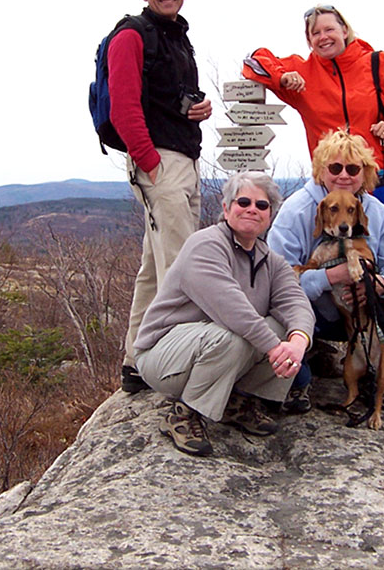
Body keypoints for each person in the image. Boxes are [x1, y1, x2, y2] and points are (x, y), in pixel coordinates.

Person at [133, 172, 315, 457]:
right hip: (163, 355)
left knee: (282, 326)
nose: (252, 208)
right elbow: (230, 307)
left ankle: (236, 402)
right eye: (243, 201)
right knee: (234, 334)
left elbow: (297, 303)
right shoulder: (205, 244)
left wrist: (297, 342)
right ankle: (182, 414)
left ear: (270, 215)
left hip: (213, 349)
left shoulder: (271, 261)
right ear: (226, 208)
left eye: (262, 205)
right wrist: (275, 348)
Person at [268, 130, 384, 414]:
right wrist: (330, 277)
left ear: (365, 174)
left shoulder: (375, 211)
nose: (344, 175)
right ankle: (299, 378)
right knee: (272, 314)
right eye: (335, 167)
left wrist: (380, 284)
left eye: (353, 168)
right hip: (310, 316)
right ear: (321, 171)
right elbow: (274, 282)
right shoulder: (297, 210)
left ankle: (373, 377)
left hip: (359, 317)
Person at [108, 0, 213, 394]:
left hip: (183, 159)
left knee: (156, 269)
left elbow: (166, 101)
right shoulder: (132, 35)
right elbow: (124, 107)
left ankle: (137, 360)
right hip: (160, 164)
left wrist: (197, 112)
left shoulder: (175, 38)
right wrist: (148, 161)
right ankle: (176, 370)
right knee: (183, 269)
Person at [242, 5, 384, 239]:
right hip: (330, 194)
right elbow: (254, 61)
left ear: (344, 30)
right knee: (332, 263)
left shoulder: (382, 64)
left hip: (382, 187)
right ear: (309, 40)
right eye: (315, 33)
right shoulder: (304, 74)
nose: (323, 37)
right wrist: (281, 77)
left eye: (329, 29)